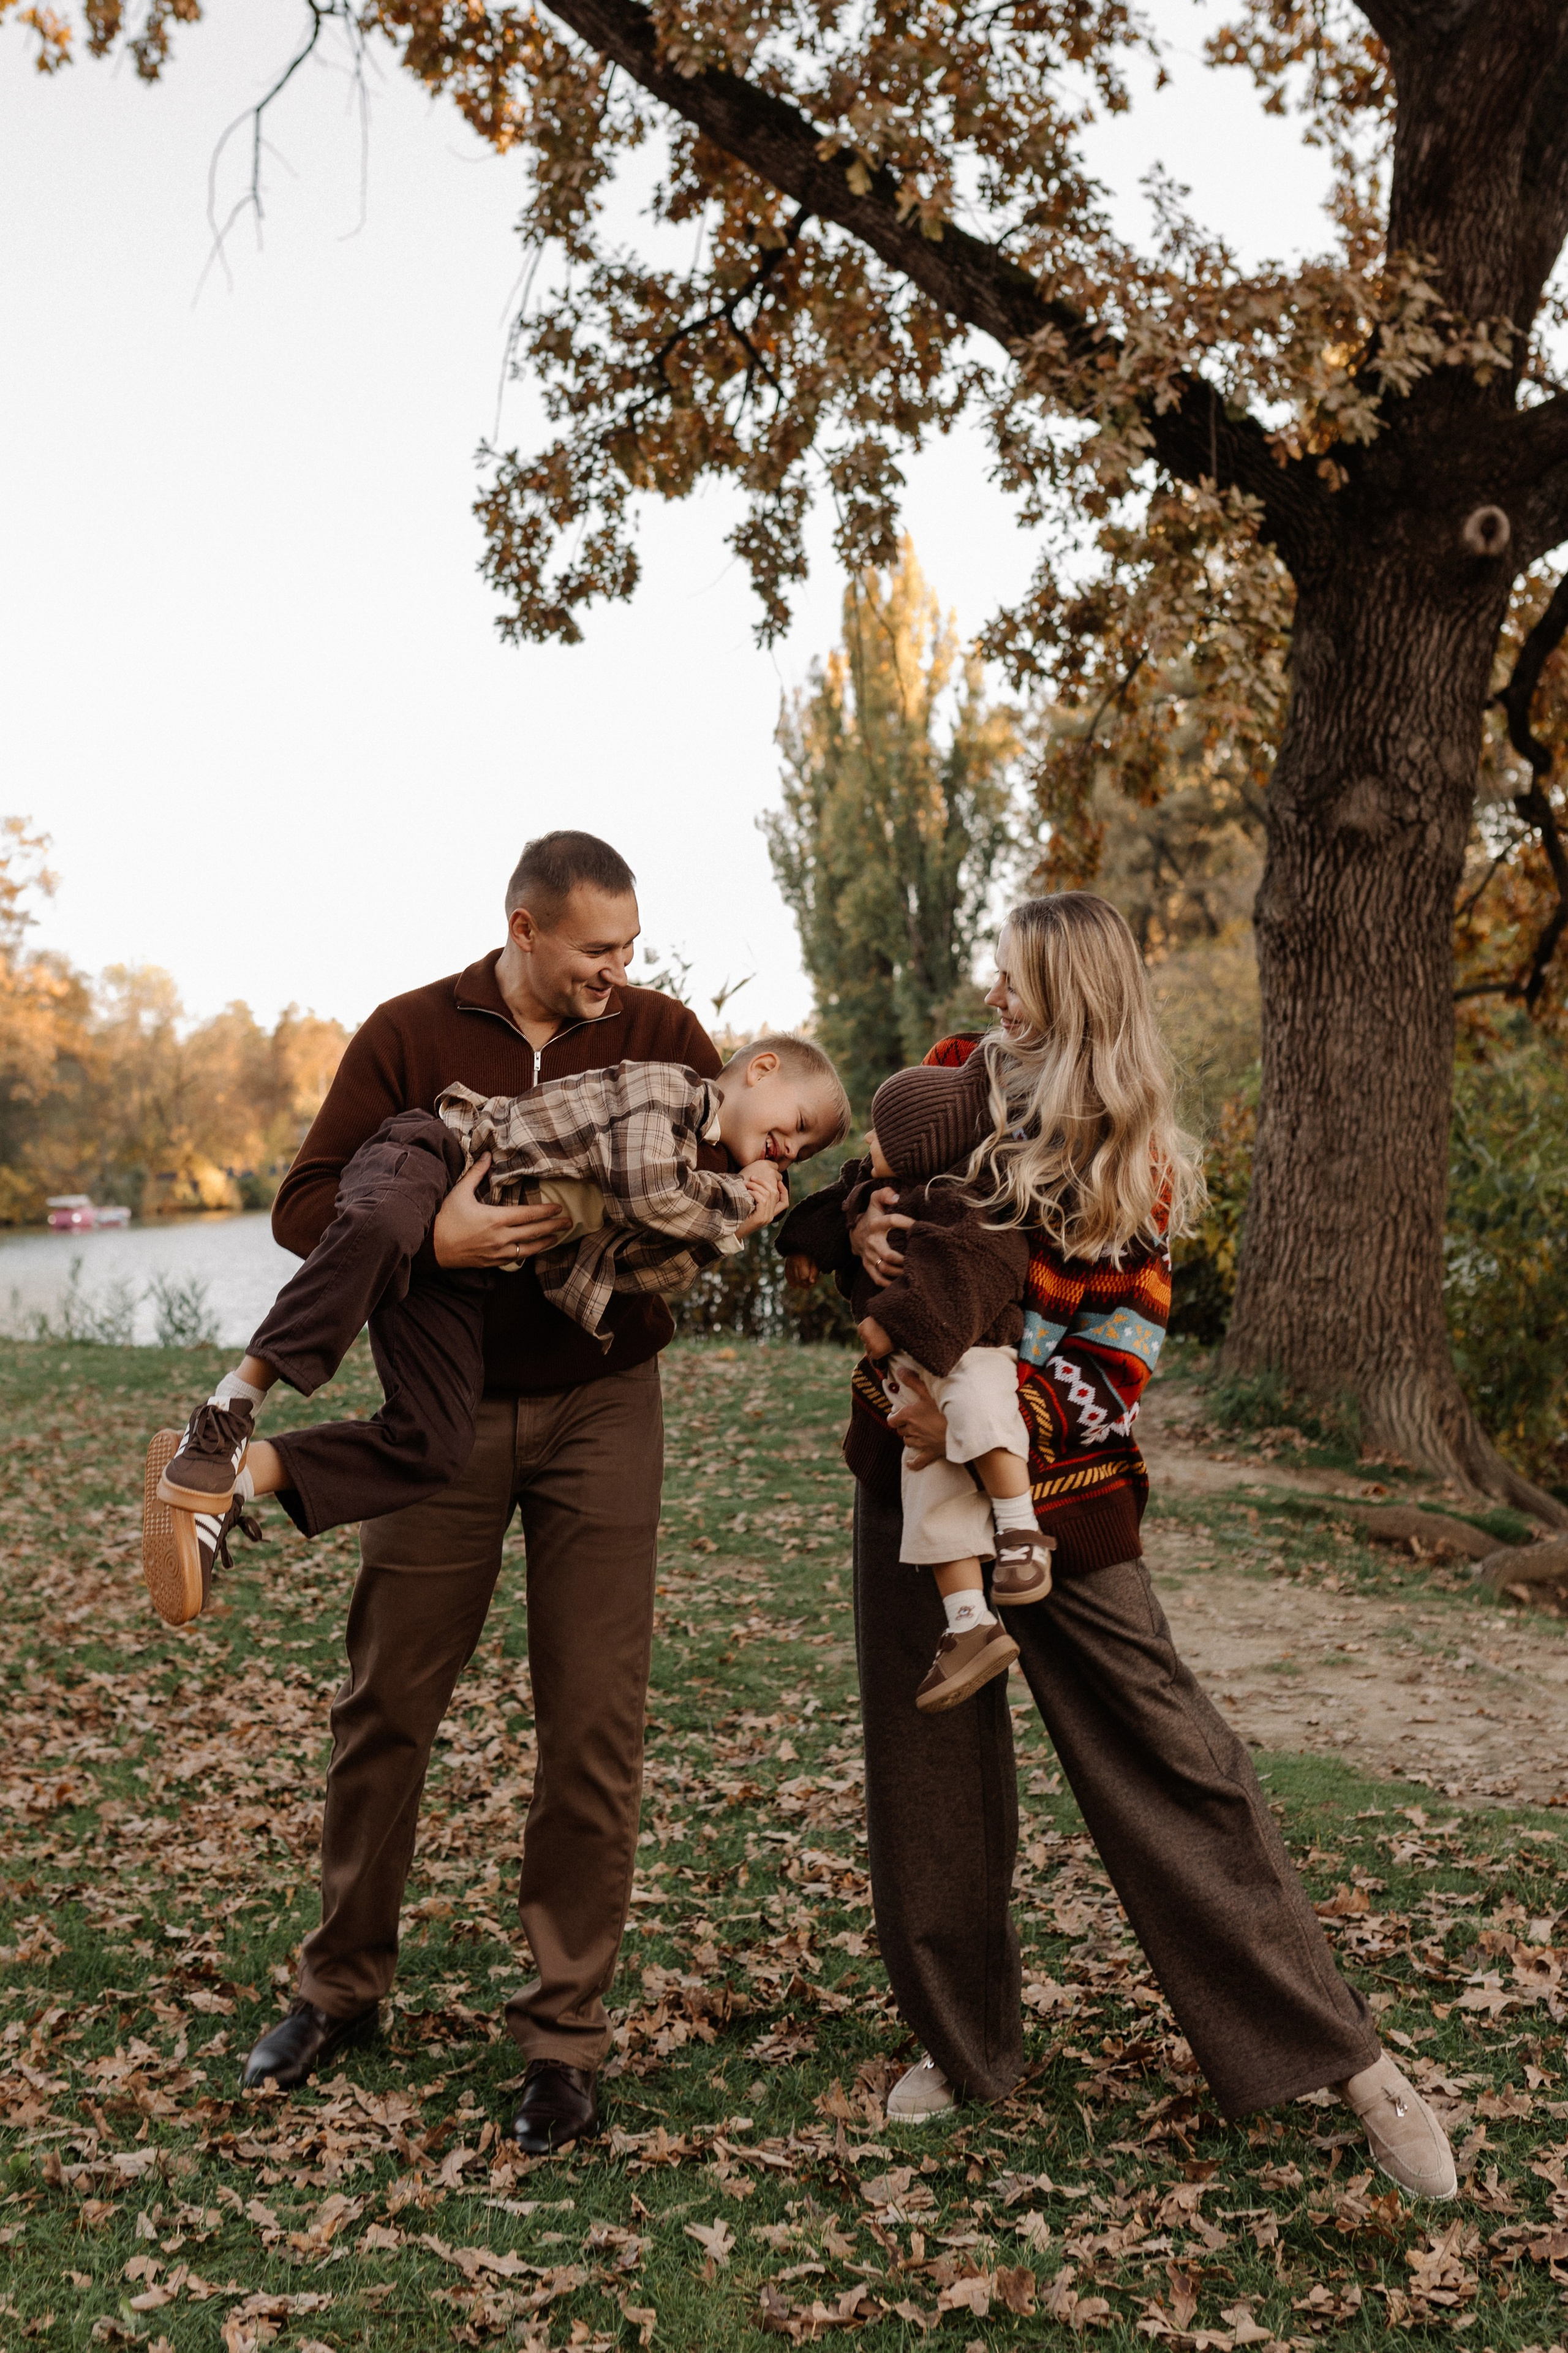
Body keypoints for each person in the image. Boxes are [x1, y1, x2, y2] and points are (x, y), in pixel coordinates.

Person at [223, 829, 834, 2156]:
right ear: (524, 929)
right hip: (438, 1417)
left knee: (593, 1724)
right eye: (596, 948)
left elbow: (754, 1162)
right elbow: (307, 1206)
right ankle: (338, 1988)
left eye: (631, 945)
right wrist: (435, 1239)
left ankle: (563, 2041)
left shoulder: (662, 1034)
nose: (621, 970)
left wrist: (849, 1221)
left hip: (602, 1406)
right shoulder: (409, 1034)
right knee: (386, 1703)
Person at [843, 891, 1458, 2200]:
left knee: (1180, 1764)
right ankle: (964, 2045)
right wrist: (856, 1231)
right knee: (930, 1774)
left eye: (1016, 977)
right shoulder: (948, 1079)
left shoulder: (1134, 1158)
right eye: (996, 971)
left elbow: (1117, 1361)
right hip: (908, 1475)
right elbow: (868, 1205)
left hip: (1061, 1496)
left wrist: (994, 1422)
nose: (993, 995)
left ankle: (1346, 2057)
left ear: (1076, 994)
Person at [142, 1034, 845, 1620]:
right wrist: (735, 1202)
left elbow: (634, 1274)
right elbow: (644, 1189)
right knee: (385, 1225)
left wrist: (733, 1231)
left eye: (806, 1150)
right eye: (799, 1122)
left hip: (467, 1275)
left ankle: (225, 1483)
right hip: (434, 1154)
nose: (791, 1149)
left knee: (433, 1444)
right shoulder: (672, 1094)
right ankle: (228, 1413)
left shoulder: (698, 1178)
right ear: (761, 1069)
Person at [777, 1055, 1056, 1713]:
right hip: (911, 1371)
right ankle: (969, 1624)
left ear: (919, 1146)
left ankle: (1021, 1534)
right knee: (931, 1490)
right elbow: (834, 1202)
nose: (868, 1140)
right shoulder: (881, 1184)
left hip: (970, 1348)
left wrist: (889, 1322)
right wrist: (808, 1244)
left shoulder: (970, 1203)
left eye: (882, 1132)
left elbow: (971, 1276)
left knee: (982, 1410)